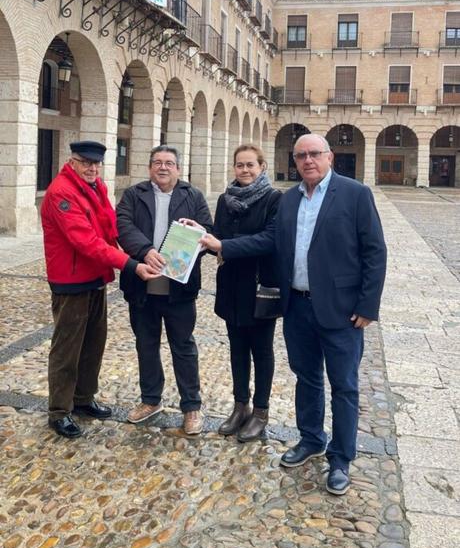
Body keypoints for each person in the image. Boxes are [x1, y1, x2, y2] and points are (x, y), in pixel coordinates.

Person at [276, 133, 387, 494]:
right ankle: (311, 439)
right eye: (301, 156)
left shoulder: (355, 195)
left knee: (344, 386)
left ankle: (340, 458)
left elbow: (375, 252)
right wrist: (221, 244)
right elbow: (273, 243)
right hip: (297, 306)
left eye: (314, 154)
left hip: (341, 312)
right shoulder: (289, 199)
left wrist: (367, 306)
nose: (308, 161)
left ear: (330, 157)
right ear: (295, 162)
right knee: (306, 378)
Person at [41, 140, 158, 439]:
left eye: (96, 164)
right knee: (67, 348)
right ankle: (59, 410)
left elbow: (110, 229)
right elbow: (85, 241)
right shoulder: (61, 193)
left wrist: (143, 249)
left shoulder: (97, 187)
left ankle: (82, 399)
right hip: (71, 281)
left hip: (95, 276)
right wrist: (130, 264)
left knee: (93, 342)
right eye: (85, 162)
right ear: (72, 161)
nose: (92, 168)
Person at [116, 145, 213, 435]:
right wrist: (145, 251)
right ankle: (150, 400)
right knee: (146, 345)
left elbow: (208, 230)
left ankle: (192, 406)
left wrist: (198, 232)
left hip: (179, 289)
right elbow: (122, 225)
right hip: (142, 286)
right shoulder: (134, 194)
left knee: (183, 347)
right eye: (157, 162)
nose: (163, 167)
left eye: (169, 163)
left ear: (178, 169)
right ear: (149, 168)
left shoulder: (192, 195)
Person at [199, 145, 282, 442]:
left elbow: (270, 240)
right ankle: (240, 406)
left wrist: (225, 246)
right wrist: (199, 236)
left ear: (261, 167)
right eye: (239, 165)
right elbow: (219, 235)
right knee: (236, 350)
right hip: (231, 285)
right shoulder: (225, 199)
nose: (244, 170)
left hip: (260, 288)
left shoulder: (274, 199)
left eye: (250, 165)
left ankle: (260, 412)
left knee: (262, 351)